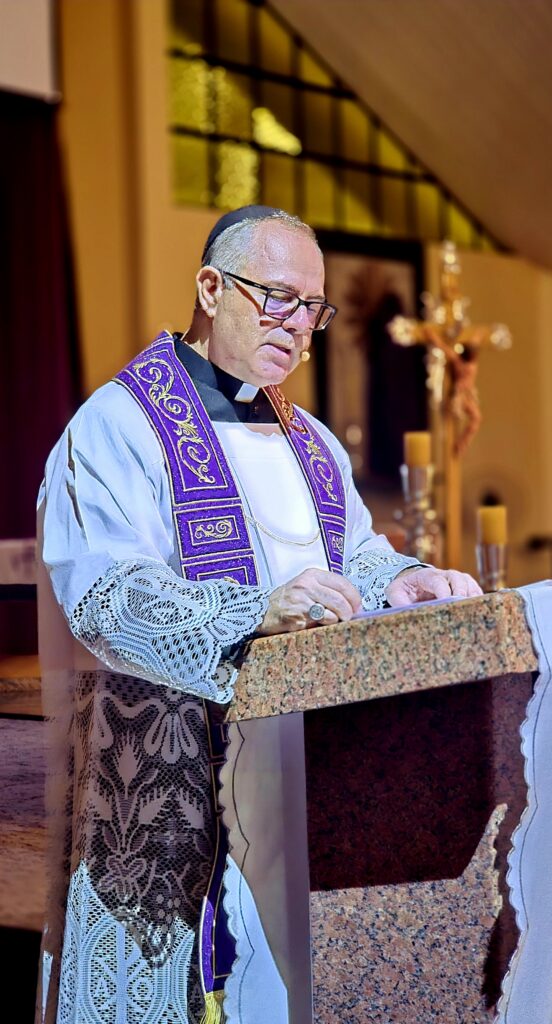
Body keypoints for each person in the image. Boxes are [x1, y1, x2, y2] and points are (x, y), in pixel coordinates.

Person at [36, 205, 481, 1024]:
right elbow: (105, 599)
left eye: (313, 308)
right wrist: (253, 610)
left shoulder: (310, 439)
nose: (299, 326)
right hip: (178, 812)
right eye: (278, 298)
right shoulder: (118, 426)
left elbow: (352, 556)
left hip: (313, 798)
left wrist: (402, 580)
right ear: (210, 288)